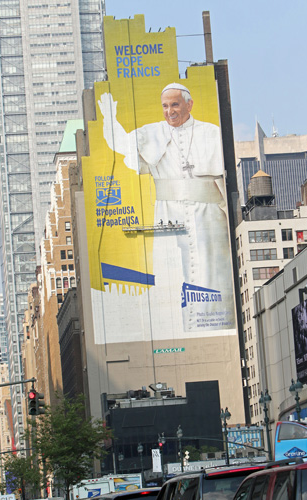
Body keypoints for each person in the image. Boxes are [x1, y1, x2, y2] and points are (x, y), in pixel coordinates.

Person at [98, 83, 235, 333]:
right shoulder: (153, 133)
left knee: (213, 273)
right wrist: (109, 117)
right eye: (165, 106)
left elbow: (226, 180)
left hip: (208, 216)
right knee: (172, 276)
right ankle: (176, 332)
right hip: (168, 215)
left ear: (189, 105)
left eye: (175, 105)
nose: (169, 111)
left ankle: (214, 329)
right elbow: (120, 144)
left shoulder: (210, 133)